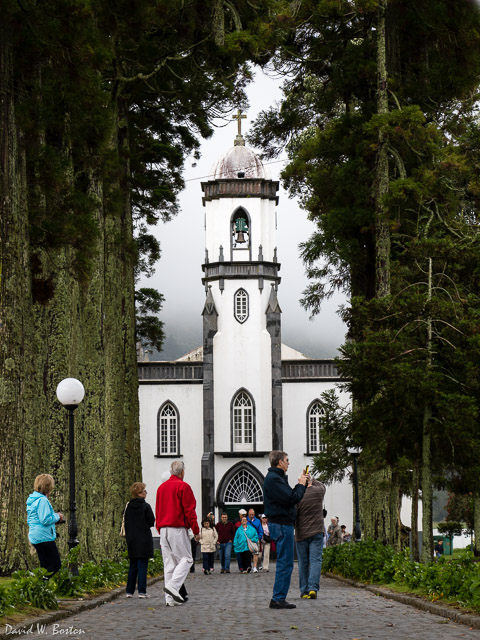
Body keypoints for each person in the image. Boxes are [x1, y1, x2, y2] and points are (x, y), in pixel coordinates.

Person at [264, 450, 308, 609]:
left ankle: (279, 597)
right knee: (285, 562)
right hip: (282, 524)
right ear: (279, 462)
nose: (289, 463)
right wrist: (301, 484)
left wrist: (299, 484)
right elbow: (292, 498)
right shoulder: (274, 479)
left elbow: (290, 495)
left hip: (282, 523)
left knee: (286, 561)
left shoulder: (276, 478)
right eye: (287, 460)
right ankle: (278, 598)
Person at [155, 460, 199, 607]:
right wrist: (196, 530)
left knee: (169, 564)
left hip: (163, 529)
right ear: (182, 472)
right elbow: (189, 511)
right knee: (186, 559)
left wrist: (159, 528)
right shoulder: (183, 486)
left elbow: (158, 509)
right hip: (177, 527)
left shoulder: (161, 488)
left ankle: (170, 599)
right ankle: (174, 586)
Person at [26, 474, 64, 578]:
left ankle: (41, 589)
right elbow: (45, 519)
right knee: (56, 564)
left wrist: (54, 520)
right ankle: (38, 582)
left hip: (35, 536)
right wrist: (57, 516)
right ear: (48, 486)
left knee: (45, 565)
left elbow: (37, 518)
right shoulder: (42, 500)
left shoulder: (33, 499)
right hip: (44, 537)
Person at [295, 476, 326, 599]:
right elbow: (322, 485)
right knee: (316, 561)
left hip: (301, 533)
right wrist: (311, 479)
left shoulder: (298, 495)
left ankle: (304, 590)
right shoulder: (318, 491)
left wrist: (300, 483)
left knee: (303, 563)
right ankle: (313, 588)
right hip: (316, 531)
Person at [124, 482, 155, 598]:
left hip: (132, 539)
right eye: (145, 491)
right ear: (140, 493)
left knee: (133, 565)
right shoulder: (145, 506)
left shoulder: (128, 506)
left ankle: (129, 591)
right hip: (143, 538)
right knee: (142, 565)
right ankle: (142, 591)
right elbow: (151, 521)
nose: (146, 493)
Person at [247, 508, 263, 573]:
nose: (251, 516)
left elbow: (260, 530)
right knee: (248, 554)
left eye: (252, 514)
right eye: (250, 514)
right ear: (248, 514)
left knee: (256, 554)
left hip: (256, 540)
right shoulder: (246, 521)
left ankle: (255, 567)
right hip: (248, 540)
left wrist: (259, 537)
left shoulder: (257, 521)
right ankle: (249, 567)